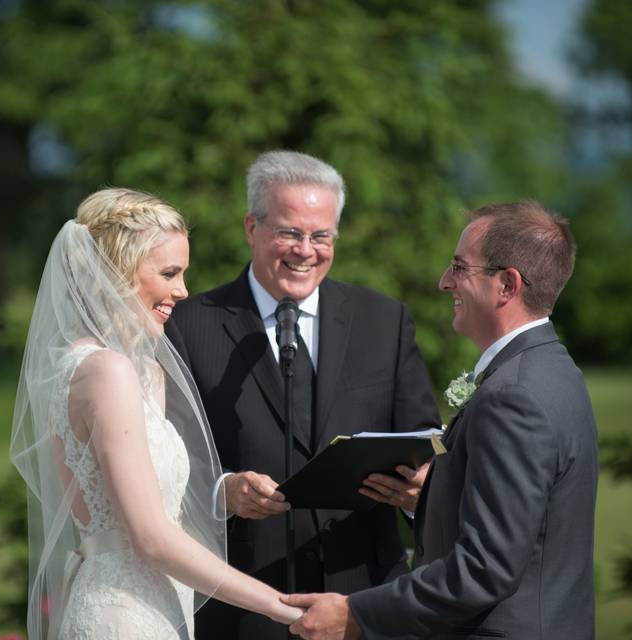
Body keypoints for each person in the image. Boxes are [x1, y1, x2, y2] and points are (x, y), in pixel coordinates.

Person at [285, 201, 599, 639]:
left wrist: (357, 613)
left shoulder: (512, 395)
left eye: (459, 267)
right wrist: (434, 500)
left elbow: (486, 568)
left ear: (506, 285)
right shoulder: (556, 370)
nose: (443, 281)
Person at [165, 151, 441, 640]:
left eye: (321, 236)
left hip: (362, 600)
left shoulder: (384, 320)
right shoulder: (189, 325)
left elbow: (425, 439)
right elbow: (162, 462)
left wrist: (420, 491)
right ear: (252, 227)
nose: (305, 250)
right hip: (240, 606)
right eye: (290, 232)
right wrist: (223, 491)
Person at [9, 188, 303, 640]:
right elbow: (151, 536)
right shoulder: (107, 372)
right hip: (121, 615)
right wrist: (281, 607)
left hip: (156, 608)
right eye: (169, 273)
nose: (182, 291)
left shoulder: (134, 371)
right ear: (115, 271)